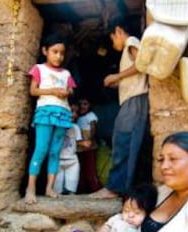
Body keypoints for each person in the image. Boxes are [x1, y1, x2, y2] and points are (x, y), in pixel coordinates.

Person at [90, 21, 149, 199]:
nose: (113, 45)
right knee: (126, 141)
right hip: (132, 100)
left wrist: (117, 75)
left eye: (112, 39)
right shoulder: (128, 48)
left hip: (135, 100)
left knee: (123, 141)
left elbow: (141, 65)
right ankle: (122, 188)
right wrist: (118, 83)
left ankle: (114, 188)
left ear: (118, 31)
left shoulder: (131, 41)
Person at [25, 34, 76, 204]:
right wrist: (53, 91)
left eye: (62, 53)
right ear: (45, 51)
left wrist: (67, 92)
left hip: (62, 114)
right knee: (41, 149)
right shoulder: (39, 68)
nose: (58, 56)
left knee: (55, 152)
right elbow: (33, 91)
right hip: (45, 113)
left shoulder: (66, 73)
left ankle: (49, 188)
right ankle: (30, 188)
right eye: (55, 52)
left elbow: (71, 91)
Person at [59, 183, 158, 232]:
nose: (130, 215)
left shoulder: (143, 228)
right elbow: (104, 228)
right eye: (126, 210)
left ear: (148, 213)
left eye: (137, 212)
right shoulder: (118, 218)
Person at [54, 102, 91, 194]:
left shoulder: (75, 127)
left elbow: (78, 141)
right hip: (58, 160)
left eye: (76, 112)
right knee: (57, 190)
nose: (74, 114)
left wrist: (84, 143)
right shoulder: (56, 126)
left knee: (72, 188)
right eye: (71, 111)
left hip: (72, 160)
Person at [77, 97, 102, 193]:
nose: (82, 106)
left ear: (90, 105)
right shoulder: (78, 116)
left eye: (85, 104)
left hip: (89, 147)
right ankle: (81, 189)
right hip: (80, 147)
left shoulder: (91, 115)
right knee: (81, 169)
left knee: (90, 168)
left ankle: (95, 189)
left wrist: (90, 139)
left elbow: (93, 127)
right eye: (80, 104)